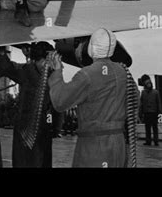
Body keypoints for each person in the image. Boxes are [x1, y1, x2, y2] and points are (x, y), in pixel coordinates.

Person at [47, 28, 131, 167]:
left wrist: (57, 72)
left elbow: (60, 102)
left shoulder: (87, 75)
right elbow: (133, 103)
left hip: (94, 146)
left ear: (91, 49)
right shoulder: (123, 72)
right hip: (118, 144)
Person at [0, 42, 55, 167]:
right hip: (26, 129)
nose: (49, 64)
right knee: (26, 161)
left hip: (42, 129)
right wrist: (2, 52)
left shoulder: (51, 74)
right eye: (46, 60)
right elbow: (7, 68)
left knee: (40, 161)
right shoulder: (27, 71)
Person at [139, 76, 162, 146]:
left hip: (154, 112)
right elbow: (141, 104)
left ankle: (156, 141)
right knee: (147, 128)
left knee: (155, 128)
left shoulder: (156, 92)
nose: (149, 84)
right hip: (146, 113)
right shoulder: (143, 92)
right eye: (147, 83)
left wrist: (159, 112)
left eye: (149, 83)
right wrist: (141, 113)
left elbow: (159, 103)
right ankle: (148, 141)